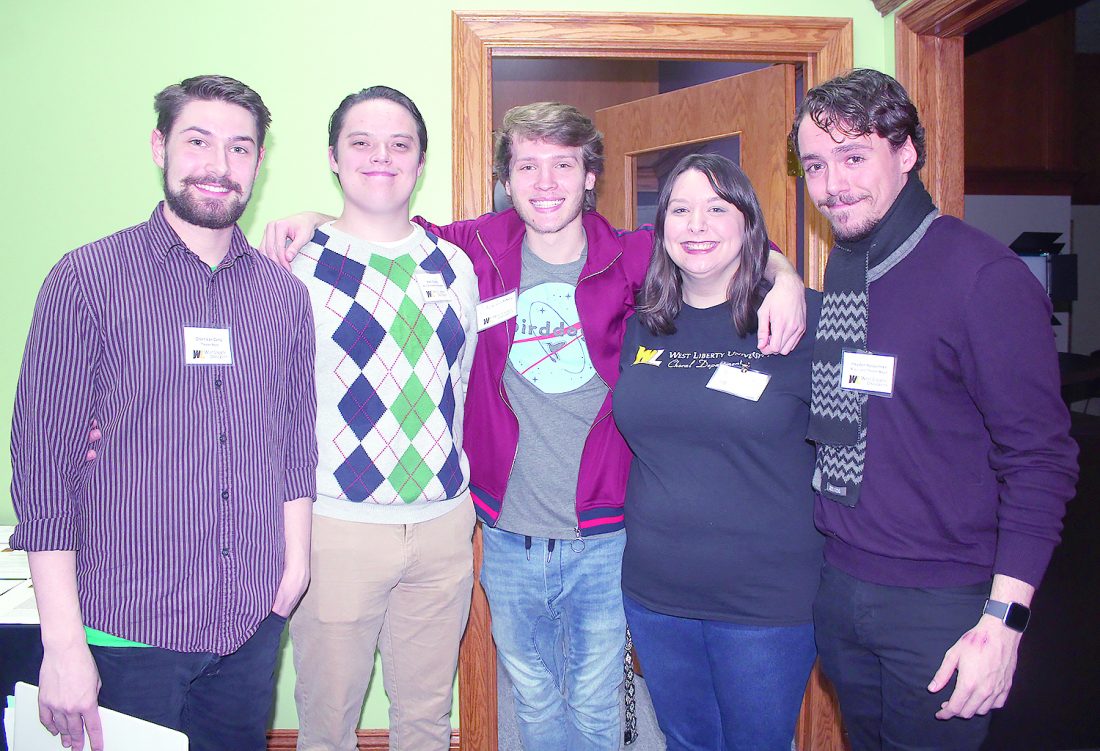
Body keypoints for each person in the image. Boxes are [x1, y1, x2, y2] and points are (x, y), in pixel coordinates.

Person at [261, 101, 807, 750]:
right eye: (527, 165)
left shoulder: (631, 255)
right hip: (507, 532)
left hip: (602, 536)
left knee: (597, 703)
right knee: (535, 699)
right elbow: (390, 222)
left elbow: (728, 241)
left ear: (589, 177)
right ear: (507, 177)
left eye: (562, 165)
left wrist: (788, 276)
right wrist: (313, 219)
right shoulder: (474, 250)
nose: (545, 182)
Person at [9, 75, 317, 751]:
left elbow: (296, 439)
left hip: (249, 624)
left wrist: (295, 566)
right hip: (125, 632)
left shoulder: (284, 298)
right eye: (198, 141)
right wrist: (63, 644)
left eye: (240, 148)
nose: (218, 164)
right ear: (160, 146)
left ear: (259, 162)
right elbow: (42, 467)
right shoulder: (85, 279)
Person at [791, 68, 1078, 750]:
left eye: (854, 156)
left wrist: (1003, 621)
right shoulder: (847, 265)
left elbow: (1041, 460)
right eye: (815, 165)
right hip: (843, 585)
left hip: (941, 606)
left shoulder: (981, 276)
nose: (834, 185)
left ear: (907, 152)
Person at [288, 86, 479, 751]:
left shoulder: (455, 265)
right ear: (334, 158)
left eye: (400, 144)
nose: (381, 157)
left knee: (426, 722)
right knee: (328, 725)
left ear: (420, 161)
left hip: (445, 529)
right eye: (361, 143)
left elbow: (459, 385)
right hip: (335, 529)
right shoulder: (292, 264)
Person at [613, 153, 822, 751]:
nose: (696, 225)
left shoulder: (801, 320)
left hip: (765, 599)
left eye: (716, 208)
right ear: (662, 228)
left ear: (748, 223)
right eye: (680, 209)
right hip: (657, 590)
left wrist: (784, 277)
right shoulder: (643, 326)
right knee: (685, 741)